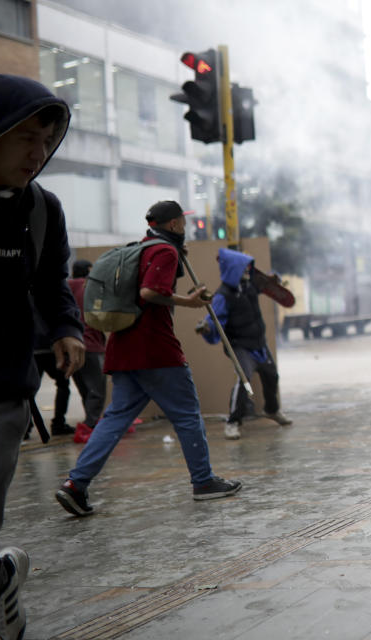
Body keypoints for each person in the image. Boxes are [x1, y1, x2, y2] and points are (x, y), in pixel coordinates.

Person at [0, 74, 85, 640]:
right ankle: (2, 575)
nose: (38, 153)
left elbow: (51, 284)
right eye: (25, 137)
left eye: (46, 140)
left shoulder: (40, 210)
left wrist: (65, 328)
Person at [55, 201, 243, 517]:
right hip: (156, 349)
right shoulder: (164, 252)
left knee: (114, 418)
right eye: (182, 222)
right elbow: (149, 292)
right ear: (172, 225)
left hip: (124, 346)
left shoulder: (142, 249)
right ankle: (203, 482)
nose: (185, 226)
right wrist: (190, 301)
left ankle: (76, 485)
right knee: (186, 414)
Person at [196, 248, 292, 440]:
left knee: (272, 376)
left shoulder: (249, 285)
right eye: (244, 268)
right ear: (234, 269)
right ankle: (233, 422)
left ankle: (272, 410)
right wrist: (207, 327)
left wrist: (275, 280)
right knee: (244, 382)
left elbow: (268, 285)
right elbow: (215, 319)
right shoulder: (224, 295)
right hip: (240, 346)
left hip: (258, 344)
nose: (248, 271)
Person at [67, 259, 108, 437]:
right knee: (97, 390)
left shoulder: (65, 287)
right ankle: (91, 428)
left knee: (85, 388)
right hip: (91, 344)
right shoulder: (89, 287)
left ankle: (88, 424)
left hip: (69, 344)